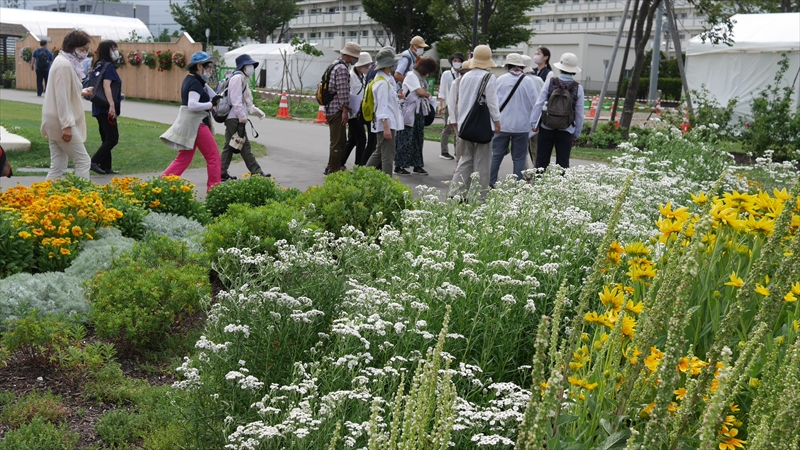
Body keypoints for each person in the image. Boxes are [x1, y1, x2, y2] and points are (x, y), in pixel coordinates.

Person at [160, 51, 222, 192]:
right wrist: (210, 105)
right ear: (199, 66)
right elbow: (192, 105)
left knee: (183, 159)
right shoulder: (194, 82)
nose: (210, 71)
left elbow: (211, 94)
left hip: (192, 124)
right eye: (208, 67)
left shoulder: (195, 80)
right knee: (213, 157)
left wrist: (217, 98)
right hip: (197, 124)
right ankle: (214, 190)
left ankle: (161, 184)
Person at [40, 30, 94, 180]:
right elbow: (61, 97)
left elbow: (63, 91)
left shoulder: (64, 61)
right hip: (60, 121)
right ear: (72, 47)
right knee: (83, 161)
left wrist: (81, 91)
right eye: (83, 49)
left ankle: (47, 197)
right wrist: (67, 125)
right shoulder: (64, 65)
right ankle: (83, 197)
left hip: (54, 120)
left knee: (58, 165)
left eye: (87, 50)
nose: (85, 53)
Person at [449, 45, 500, 199]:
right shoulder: (489, 78)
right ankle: (479, 197)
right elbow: (492, 103)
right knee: (482, 163)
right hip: (483, 127)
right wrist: (497, 122)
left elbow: (462, 102)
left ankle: (456, 193)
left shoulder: (464, 78)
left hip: (465, 125)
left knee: (465, 160)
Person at [490, 53, 538, 187]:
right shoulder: (529, 81)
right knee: (519, 158)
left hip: (502, 124)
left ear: (507, 66)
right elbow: (535, 104)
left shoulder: (500, 79)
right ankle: (518, 185)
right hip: (522, 126)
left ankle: (491, 181)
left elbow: (493, 102)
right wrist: (533, 123)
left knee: (496, 155)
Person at [531, 52, 585, 171]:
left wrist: (534, 123)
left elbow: (539, 103)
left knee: (541, 161)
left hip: (547, 126)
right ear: (574, 70)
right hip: (566, 129)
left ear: (560, 68)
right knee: (563, 162)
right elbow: (579, 113)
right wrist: (577, 132)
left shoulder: (550, 82)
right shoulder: (578, 87)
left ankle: (539, 186)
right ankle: (560, 187)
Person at [220, 54, 268, 181]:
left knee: (229, 146)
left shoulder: (242, 79)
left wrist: (257, 112)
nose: (252, 67)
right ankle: (256, 172)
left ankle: (221, 173)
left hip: (234, 118)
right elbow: (235, 100)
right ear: (243, 67)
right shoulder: (237, 78)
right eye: (249, 65)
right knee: (244, 145)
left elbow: (245, 102)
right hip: (235, 118)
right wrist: (242, 116)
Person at [394, 57, 437, 176]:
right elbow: (420, 92)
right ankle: (399, 165)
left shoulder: (420, 78)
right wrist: (429, 96)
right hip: (409, 111)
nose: (428, 74)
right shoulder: (411, 76)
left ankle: (417, 165)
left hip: (418, 112)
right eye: (428, 71)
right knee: (406, 138)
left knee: (418, 138)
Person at [365, 47, 403, 176]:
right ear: (389, 65)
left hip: (386, 122)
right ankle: (387, 182)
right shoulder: (382, 83)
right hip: (386, 123)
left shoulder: (384, 79)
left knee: (380, 152)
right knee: (387, 155)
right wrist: (386, 127)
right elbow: (381, 106)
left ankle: (362, 175)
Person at [325, 42, 361, 174]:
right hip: (337, 109)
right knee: (338, 141)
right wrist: (345, 110)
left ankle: (332, 166)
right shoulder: (342, 69)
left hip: (331, 107)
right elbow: (343, 92)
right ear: (349, 55)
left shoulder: (334, 64)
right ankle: (334, 169)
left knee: (336, 140)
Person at [89, 40, 123, 175]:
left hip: (98, 105)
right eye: (114, 48)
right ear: (108, 50)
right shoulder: (108, 67)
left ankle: (106, 166)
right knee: (113, 138)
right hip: (106, 107)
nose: (116, 51)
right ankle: (94, 161)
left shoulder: (98, 65)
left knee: (106, 138)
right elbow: (106, 85)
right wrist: (112, 105)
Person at [341, 52, 374, 168]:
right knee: (361, 140)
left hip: (359, 112)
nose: (367, 68)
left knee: (352, 140)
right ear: (359, 66)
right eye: (366, 66)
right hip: (352, 113)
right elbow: (349, 94)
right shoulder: (351, 76)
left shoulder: (362, 77)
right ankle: (358, 166)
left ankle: (340, 163)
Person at [438, 52, 464, 161]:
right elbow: (442, 89)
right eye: (455, 61)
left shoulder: (463, 74)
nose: (457, 63)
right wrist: (441, 105)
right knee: (447, 127)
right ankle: (444, 151)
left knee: (457, 129)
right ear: (451, 62)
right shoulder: (447, 74)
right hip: (450, 104)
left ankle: (456, 151)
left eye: (459, 61)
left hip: (461, 105)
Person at [521, 54, 544, 172]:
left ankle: (525, 174)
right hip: (537, 120)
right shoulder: (538, 80)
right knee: (536, 149)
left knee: (522, 150)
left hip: (522, 120)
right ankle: (537, 172)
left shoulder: (518, 80)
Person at [446, 59, 472, 165]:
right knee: (459, 141)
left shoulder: (471, 83)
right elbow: (451, 102)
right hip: (458, 117)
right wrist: (452, 119)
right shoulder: (456, 83)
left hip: (470, 116)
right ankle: (458, 163)